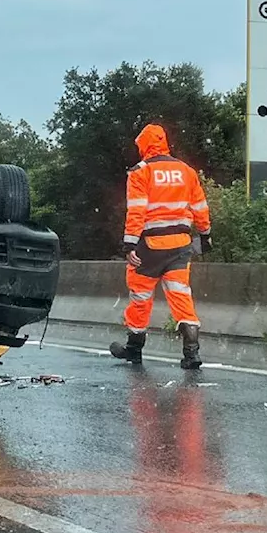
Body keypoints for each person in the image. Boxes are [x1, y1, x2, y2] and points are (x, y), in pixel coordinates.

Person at [109, 123, 211, 369]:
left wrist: (129, 243)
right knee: (181, 295)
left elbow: (137, 210)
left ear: (144, 145)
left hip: (150, 247)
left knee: (141, 295)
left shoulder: (140, 171)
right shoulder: (186, 171)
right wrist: (206, 234)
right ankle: (191, 353)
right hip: (181, 245)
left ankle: (134, 348)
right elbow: (200, 206)